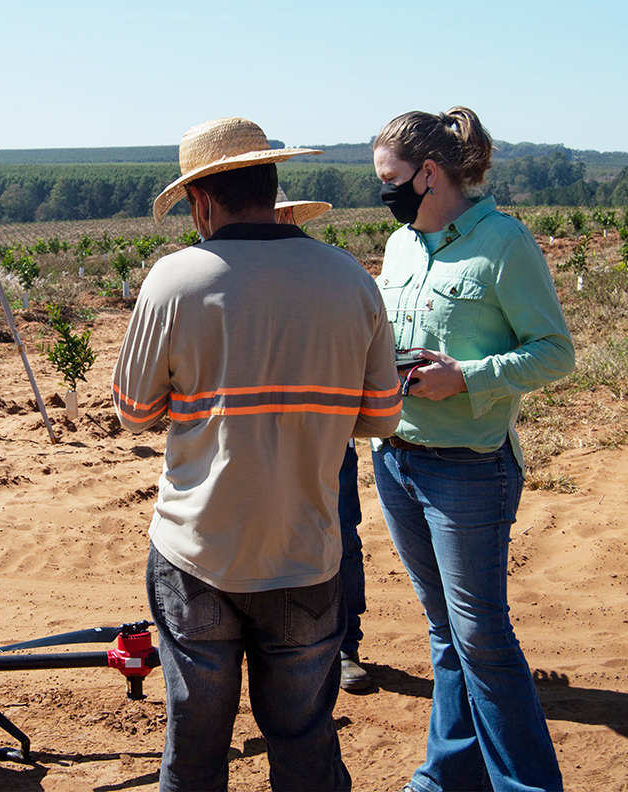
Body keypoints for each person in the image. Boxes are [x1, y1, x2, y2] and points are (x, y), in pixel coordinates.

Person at [113, 116, 402, 792]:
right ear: (272, 187)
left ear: (203, 200)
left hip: (198, 556)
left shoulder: (173, 281)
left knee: (196, 748)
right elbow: (383, 418)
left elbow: (133, 414)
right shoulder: (351, 280)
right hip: (305, 554)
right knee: (303, 738)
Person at [369, 106, 574, 792]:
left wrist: (466, 378)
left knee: (482, 639)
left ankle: (527, 786)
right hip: (397, 459)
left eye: (391, 179)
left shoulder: (504, 244)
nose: (384, 194)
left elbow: (554, 353)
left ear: (430, 173)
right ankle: (447, 777)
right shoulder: (400, 246)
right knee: (444, 634)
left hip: (469, 469)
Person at [275, 197, 374, 695]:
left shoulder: (336, 275)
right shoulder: (236, 276)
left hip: (325, 438)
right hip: (261, 441)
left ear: (290, 217)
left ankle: (343, 645)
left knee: (338, 537)